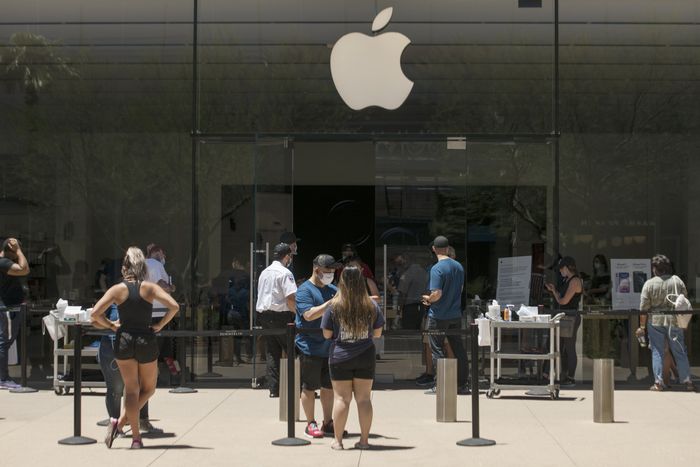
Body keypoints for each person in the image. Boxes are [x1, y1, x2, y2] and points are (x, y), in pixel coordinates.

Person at [91, 247, 179, 449]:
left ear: (124, 267)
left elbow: (95, 314)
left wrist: (112, 325)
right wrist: (160, 324)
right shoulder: (149, 288)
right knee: (148, 389)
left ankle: (134, 437)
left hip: (123, 339)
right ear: (142, 266)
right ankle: (120, 424)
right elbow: (174, 306)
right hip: (146, 339)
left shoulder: (117, 289)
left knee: (131, 390)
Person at [322, 266, 384, 450]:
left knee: (341, 399)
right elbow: (378, 333)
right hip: (365, 355)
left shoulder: (334, 305)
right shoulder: (371, 305)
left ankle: (338, 441)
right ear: (361, 282)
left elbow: (326, 334)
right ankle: (364, 441)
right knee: (364, 399)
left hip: (340, 356)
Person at [295, 254, 340, 438]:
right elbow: (308, 315)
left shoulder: (333, 289)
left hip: (330, 347)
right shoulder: (304, 290)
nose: (331, 274)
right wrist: (330, 303)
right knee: (309, 386)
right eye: (328, 271)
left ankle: (328, 422)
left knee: (329, 387)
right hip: (309, 346)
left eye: (332, 271)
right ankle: (310, 423)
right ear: (317, 270)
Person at [637, 254, 696, 392]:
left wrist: (641, 327)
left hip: (655, 320)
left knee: (657, 351)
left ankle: (658, 382)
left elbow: (643, 309)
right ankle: (687, 382)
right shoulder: (677, 280)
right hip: (675, 320)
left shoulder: (649, 284)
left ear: (654, 269)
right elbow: (684, 301)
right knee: (680, 351)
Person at [421, 236, 469, 395]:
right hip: (455, 315)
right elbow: (460, 290)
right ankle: (462, 384)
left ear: (434, 249)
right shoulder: (459, 267)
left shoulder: (437, 268)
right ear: (448, 249)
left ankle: (440, 385)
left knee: (437, 350)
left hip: (438, 315)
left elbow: (437, 293)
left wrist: (428, 299)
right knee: (459, 349)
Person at [255, 243, 297, 398]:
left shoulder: (264, 273)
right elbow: (290, 298)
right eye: (290, 256)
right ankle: (297, 388)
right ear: (287, 256)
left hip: (264, 316)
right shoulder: (285, 273)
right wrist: (300, 314)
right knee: (294, 350)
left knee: (272, 352)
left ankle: (274, 389)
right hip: (281, 316)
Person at [545, 256, 583, 385]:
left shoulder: (575, 281)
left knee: (569, 347)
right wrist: (555, 291)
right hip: (566, 317)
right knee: (562, 347)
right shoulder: (568, 280)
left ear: (567, 268)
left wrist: (554, 292)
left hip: (571, 317)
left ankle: (570, 377)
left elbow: (563, 301)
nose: (560, 271)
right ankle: (563, 375)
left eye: (561, 268)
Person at [0, 238, 30, 389]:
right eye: (17, 251)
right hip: (8, 307)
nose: (18, 255)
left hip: (11, 306)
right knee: (4, 342)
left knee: (4, 342)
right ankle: (3, 378)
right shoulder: (3, 262)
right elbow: (24, 269)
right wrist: (18, 251)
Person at [145, 244, 178, 377]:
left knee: (163, 344)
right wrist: (171, 288)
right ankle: (157, 373)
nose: (164, 257)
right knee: (159, 343)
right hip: (158, 311)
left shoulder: (144, 264)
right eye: (163, 254)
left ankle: (172, 372)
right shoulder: (154, 264)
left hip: (150, 309)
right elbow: (160, 283)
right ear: (158, 252)